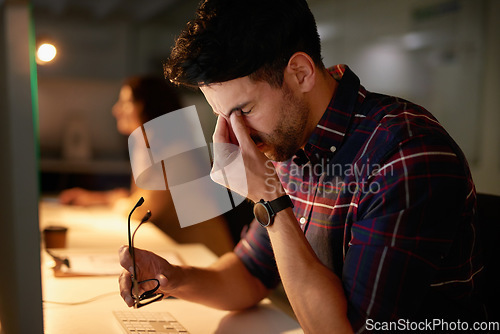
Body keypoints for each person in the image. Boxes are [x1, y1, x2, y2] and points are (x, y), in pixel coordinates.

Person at [118, 1, 486, 332]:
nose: (235, 135)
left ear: (300, 72)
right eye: (221, 116)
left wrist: (269, 198)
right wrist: (168, 278)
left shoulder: (405, 154)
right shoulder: (289, 143)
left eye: (244, 110)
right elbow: (248, 273)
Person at [59, 75, 237, 256]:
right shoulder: (152, 144)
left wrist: (114, 201)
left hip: (207, 254)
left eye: (125, 102)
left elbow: (143, 210)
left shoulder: (173, 151)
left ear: (146, 106)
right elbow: (140, 198)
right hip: (186, 251)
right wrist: (99, 199)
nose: (116, 110)